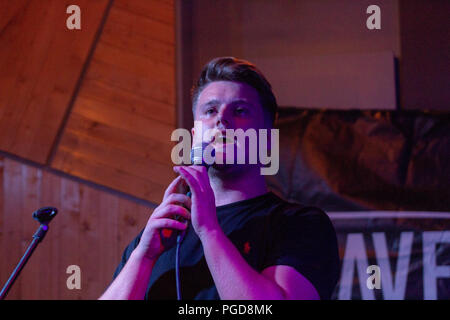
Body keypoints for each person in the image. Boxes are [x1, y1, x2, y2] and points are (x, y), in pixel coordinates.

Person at [99, 57, 340, 300]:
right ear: (194, 136)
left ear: (267, 139)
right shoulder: (157, 236)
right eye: (211, 110)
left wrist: (210, 231)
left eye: (240, 111)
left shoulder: (298, 225)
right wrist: (143, 256)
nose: (221, 120)